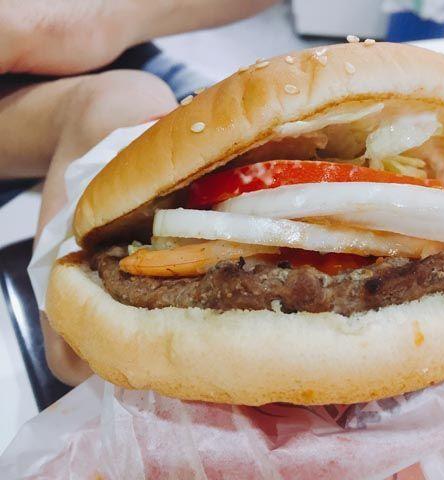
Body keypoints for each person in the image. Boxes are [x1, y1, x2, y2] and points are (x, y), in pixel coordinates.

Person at [0, 0, 278, 385]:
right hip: (77, 87)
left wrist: (107, 19)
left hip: (125, 37)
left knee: (268, 124)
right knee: (124, 106)